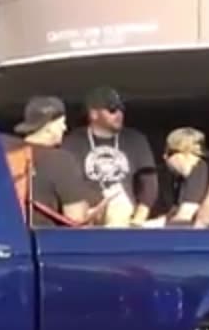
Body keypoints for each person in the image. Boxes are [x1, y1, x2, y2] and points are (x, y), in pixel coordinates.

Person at [60, 86, 158, 227]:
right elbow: (66, 184)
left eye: (121, 109)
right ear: (94, 114)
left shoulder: (136, 140)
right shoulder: (73, 142)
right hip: (87, 218)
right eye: (112, 110)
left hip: (126, 218)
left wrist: (138, 219)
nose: (119, 114)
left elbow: (148, 182)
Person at [9, 96, 104, 228]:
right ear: (49, 127)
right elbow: (76, 218)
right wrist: (96, 212)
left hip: (3, 236)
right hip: (42, 241)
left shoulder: (3, 151)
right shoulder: (60, 160)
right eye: (62, 123)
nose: (65, 128)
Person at [144, 127, 209, 228]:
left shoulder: (199, 171)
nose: (164, 157)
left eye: (169, 153)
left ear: (184, 152)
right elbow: (172, 215)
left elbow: (184, 218)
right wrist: (142, 227)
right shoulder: (181, 179)